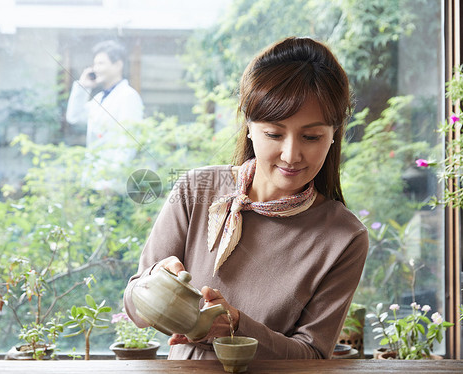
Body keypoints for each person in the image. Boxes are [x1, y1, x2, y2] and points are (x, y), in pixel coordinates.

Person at [123, 36, 368, 360]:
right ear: (249, 126)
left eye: (311, 136)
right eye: (274, 134)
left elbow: (312, 356)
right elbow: (134, 310)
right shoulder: (196, 189)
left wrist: (237, 326)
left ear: (334, 134)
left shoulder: (344, 237)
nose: (291, 154)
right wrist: (154, 283)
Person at [66, 40, 143, 177]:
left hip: (111, 182)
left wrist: (113, 178)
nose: (95, 69)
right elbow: (74, 117)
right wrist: (83, 87)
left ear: (118, 65)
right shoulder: (99, 99)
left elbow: (129, 142)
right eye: (94, 64)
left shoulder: (128, 96)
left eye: (101, 63)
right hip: (94, 177)